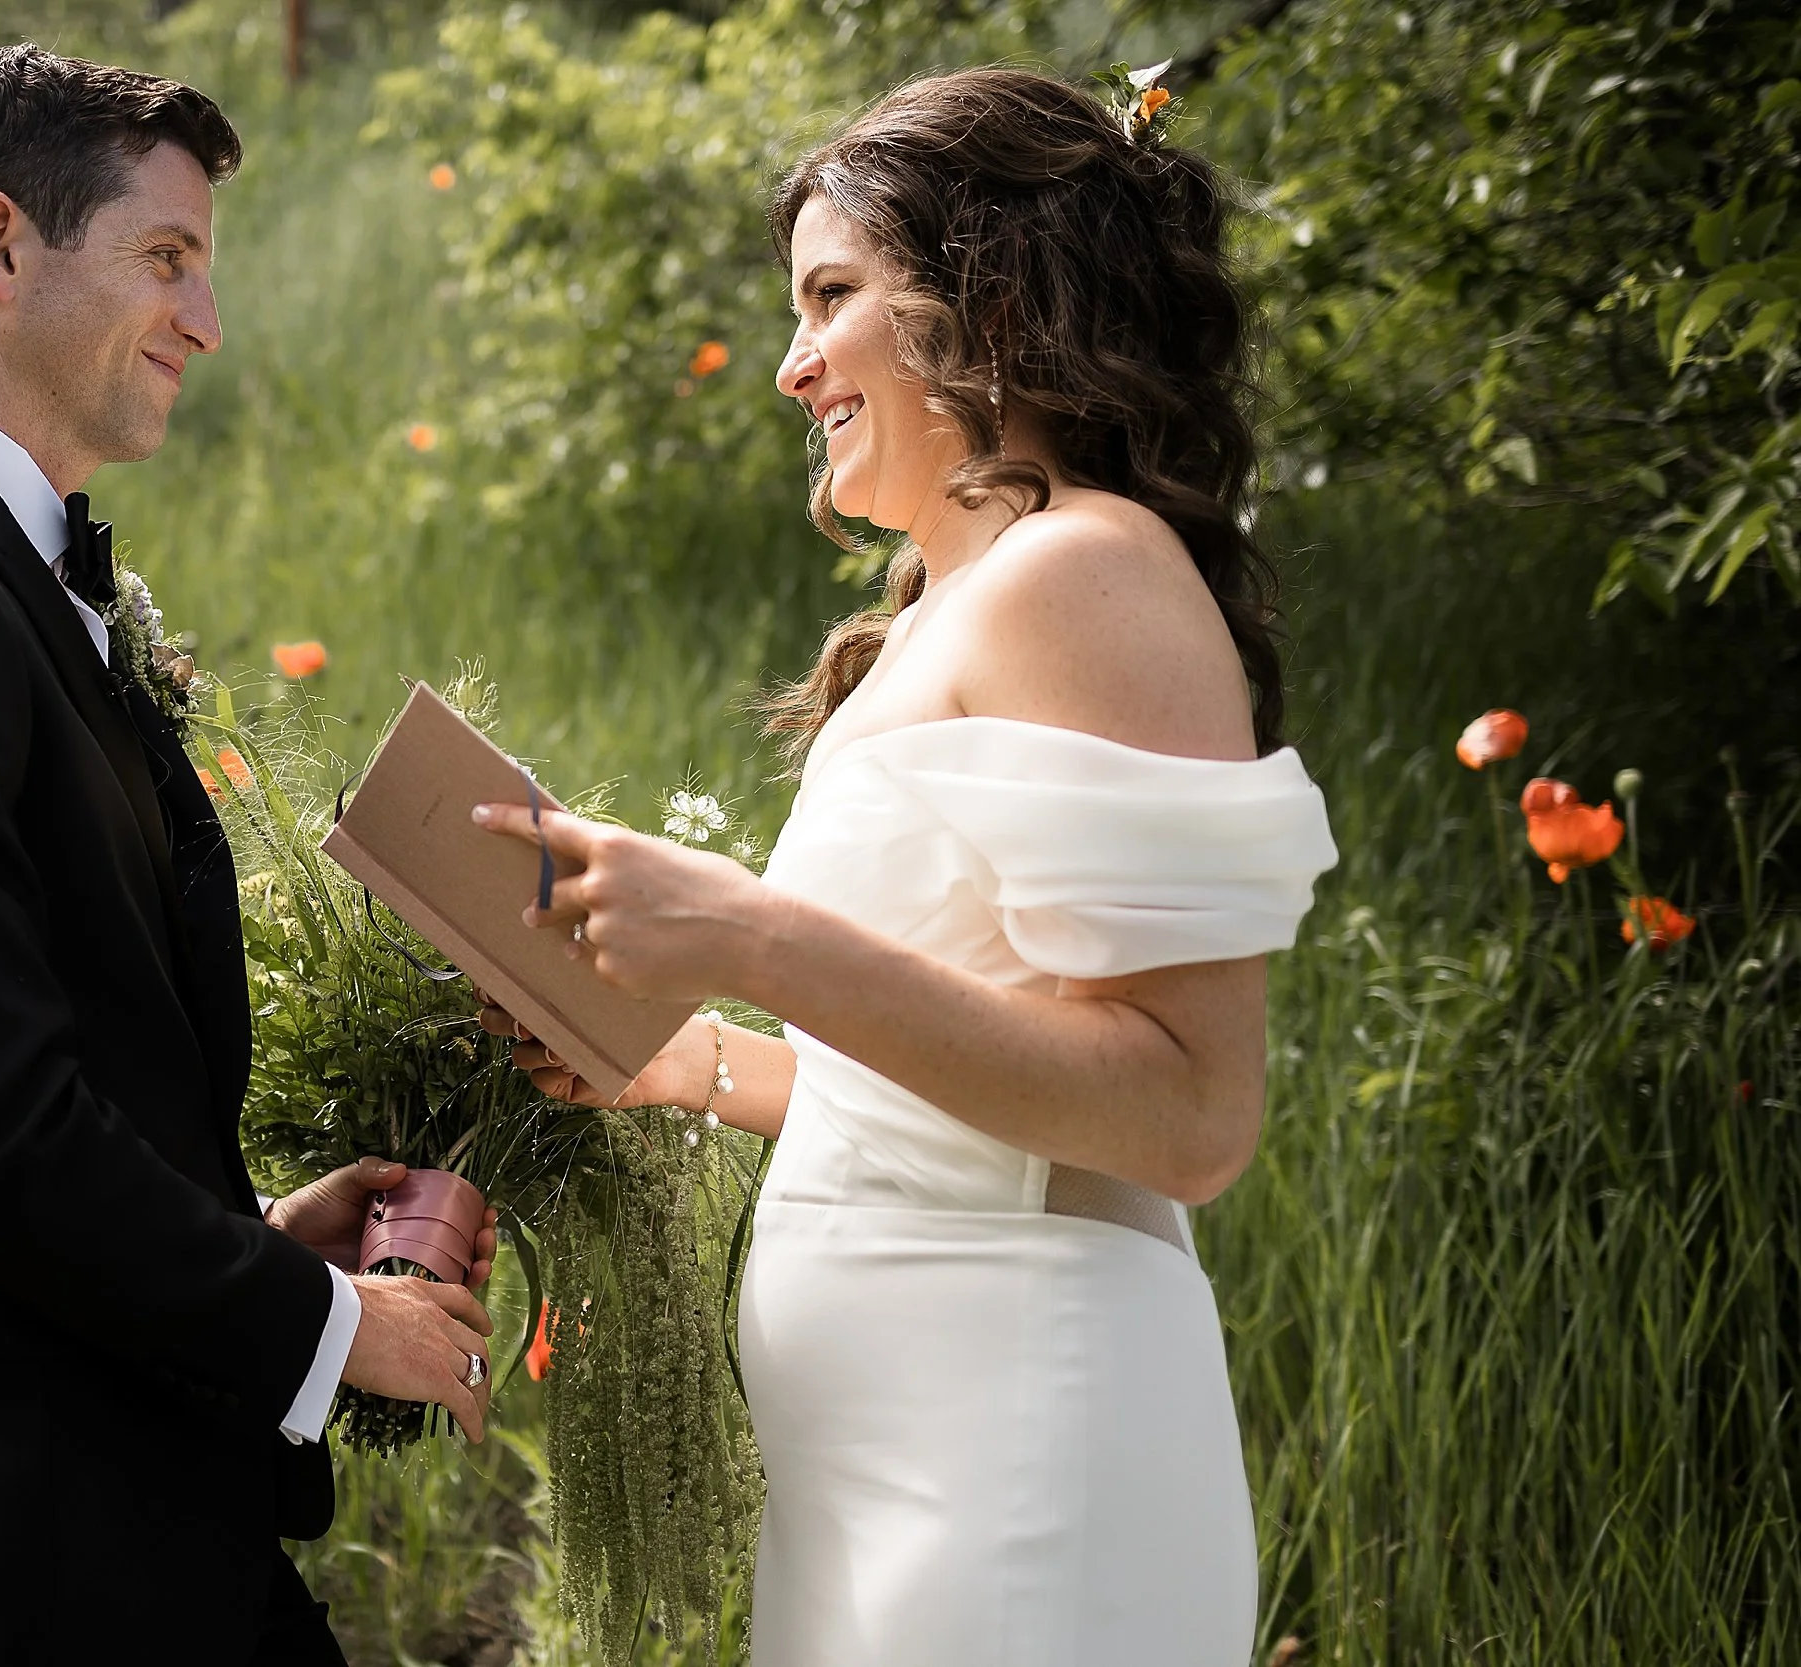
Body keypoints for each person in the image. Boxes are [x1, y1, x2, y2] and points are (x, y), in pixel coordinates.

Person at [473, 67, 1337, 1665]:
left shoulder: (1090, 569)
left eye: (832, 297)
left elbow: (1184, 1113)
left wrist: (748, 932)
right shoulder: (943, 621)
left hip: (1021, 1451)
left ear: (985, 301)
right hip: (887, 1467)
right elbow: (952, 1089)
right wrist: (693, 1062)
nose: (795, 363)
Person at [0, 44, 497, 1667]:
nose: (206, 320)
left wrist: (258, 1233)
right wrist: (342, 1327)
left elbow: (52, 1057)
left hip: (127, 1489)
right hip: (1, 1553)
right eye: (165, 257)